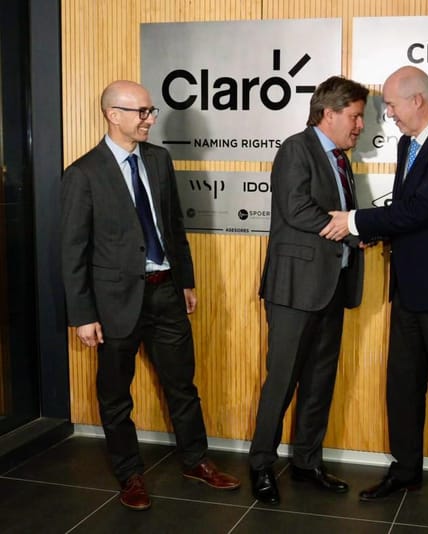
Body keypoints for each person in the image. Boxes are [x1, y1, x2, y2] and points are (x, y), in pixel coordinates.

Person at [321, 66, 428, 518]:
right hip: (410, 289)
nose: (389, 116)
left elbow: (421, 209)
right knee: (402, 385)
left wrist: (355, 221)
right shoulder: (408, 143)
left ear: (417, 100)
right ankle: (406, 470)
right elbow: (404, 211)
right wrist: (375, 234)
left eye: (392, 106)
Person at [60, 80, 240, 511]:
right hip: (113, 303)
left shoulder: (158, 160)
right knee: (116, 395)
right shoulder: (83, 173)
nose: (149, 119)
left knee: (182, 385)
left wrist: (187, 282)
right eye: (140, 111)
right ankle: (129, 475)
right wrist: (83, 315)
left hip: (166, 295)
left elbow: (174, 228)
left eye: (151, 111)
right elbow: (72, 251)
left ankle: (195, 461)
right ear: (112, 114)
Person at [248, 76, 368, 505]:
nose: (359, 126)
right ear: (328, 113)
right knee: (282, 381)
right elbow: (297, 208)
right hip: (295, 290)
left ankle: (306, 462)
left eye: (361, 118)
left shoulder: (341, 159)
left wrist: (361, 229)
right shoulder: (296, 149)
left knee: (320, 380)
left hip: (332, 287)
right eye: (354, 117)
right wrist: (355, 232)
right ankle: (261, 464)